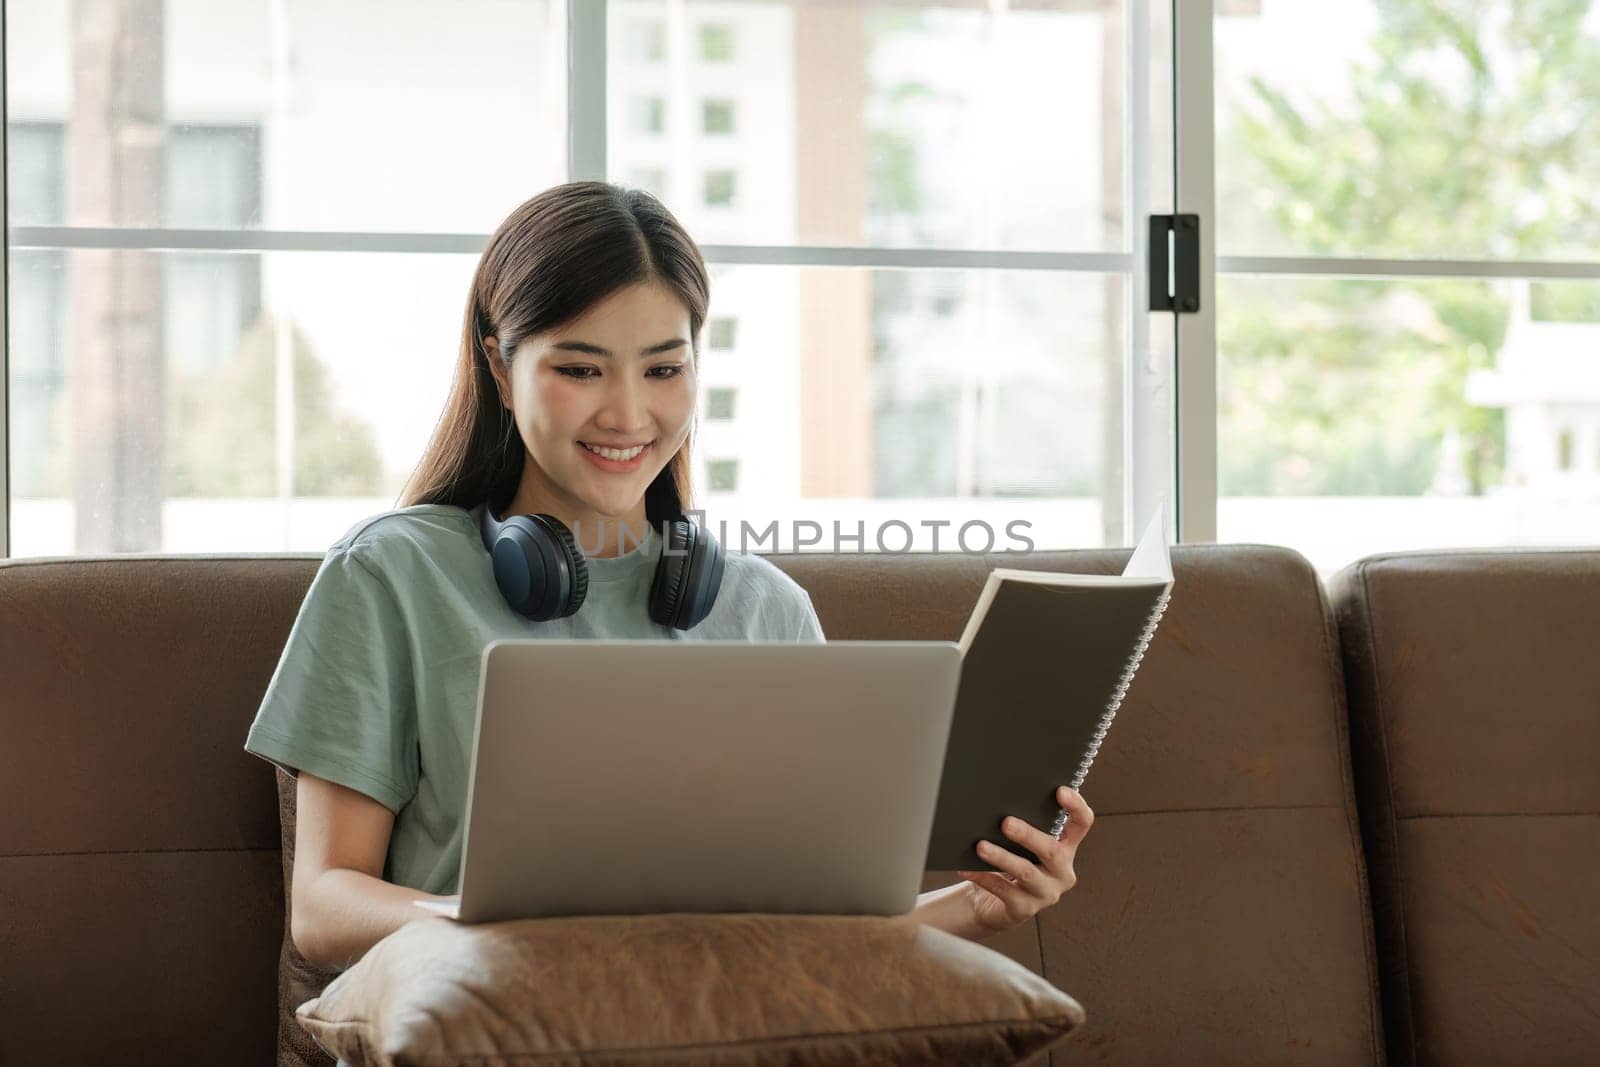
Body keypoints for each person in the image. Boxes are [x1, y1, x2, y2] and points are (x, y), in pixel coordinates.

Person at [243, 181, 1093, 971]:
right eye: (579, 369)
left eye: (663, 367)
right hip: (494, 1021)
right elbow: (321, 908)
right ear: (501, 368)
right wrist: (486, 921)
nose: (627, 413)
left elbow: (815, 925)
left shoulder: (766, 609)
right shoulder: (393, 574)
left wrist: (974, 908)